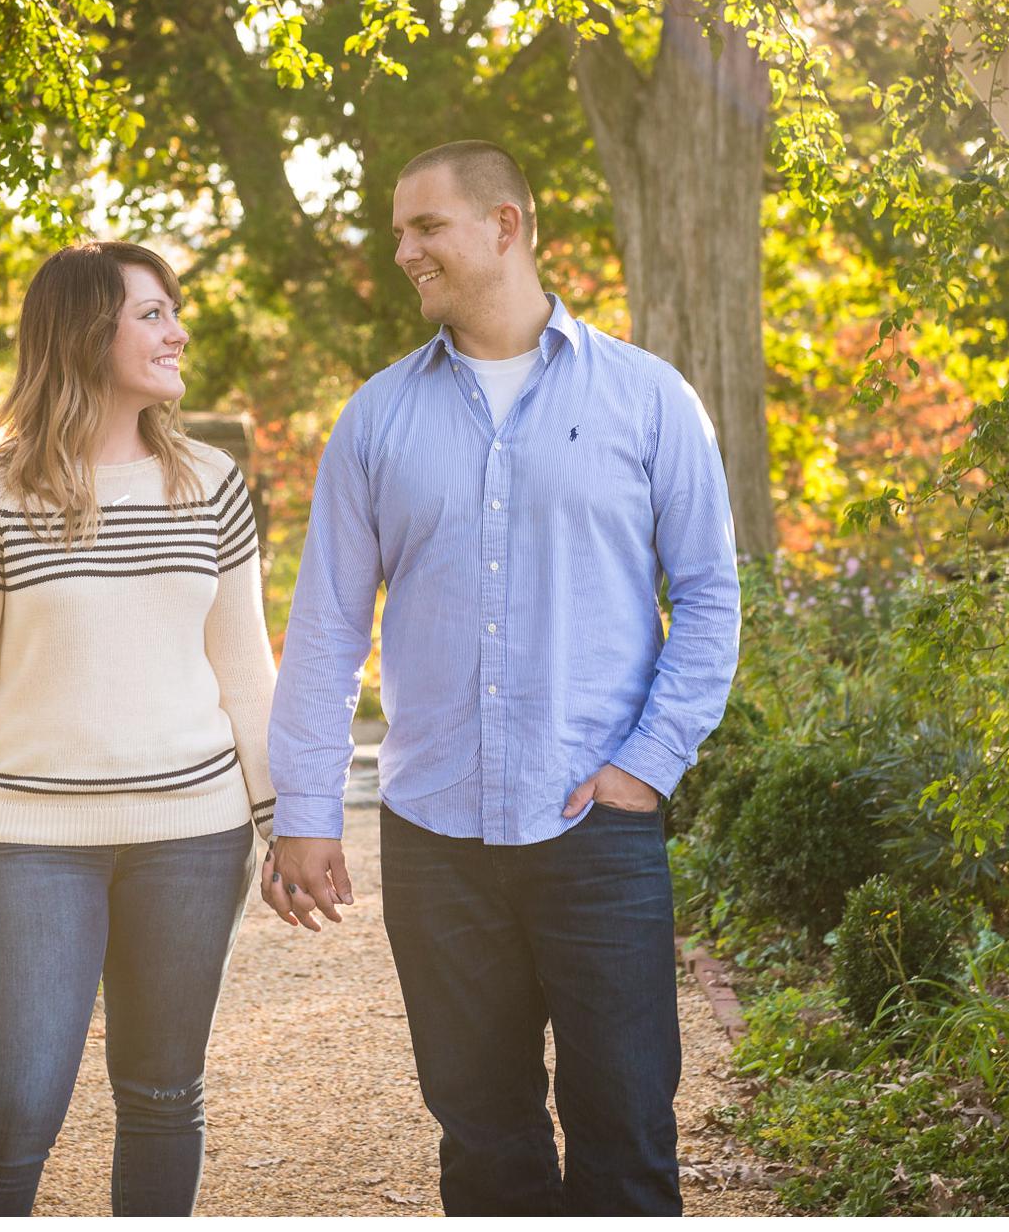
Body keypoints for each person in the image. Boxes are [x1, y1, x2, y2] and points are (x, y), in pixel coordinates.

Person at [263, 140, 742, 1215]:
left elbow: (710, 598)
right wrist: (305, 810)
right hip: (435, 836)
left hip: (599, 828)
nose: (404, 252)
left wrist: (645, 768)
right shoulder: (377, 418)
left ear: (505, 226)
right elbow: (329, 625)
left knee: (626, 1133)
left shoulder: (649, 399)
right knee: (484, 1139)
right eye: (397, 232)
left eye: (424, 227)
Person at [0, 240, 276, 1216]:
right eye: (150, 313)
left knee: (163, 1097)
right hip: (32, 848)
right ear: (84, 332)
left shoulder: (211, 482)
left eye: (172, 310)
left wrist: (286, 823)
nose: (177, 330)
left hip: (194, 842)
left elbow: (246, 668)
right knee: (17, 1108)